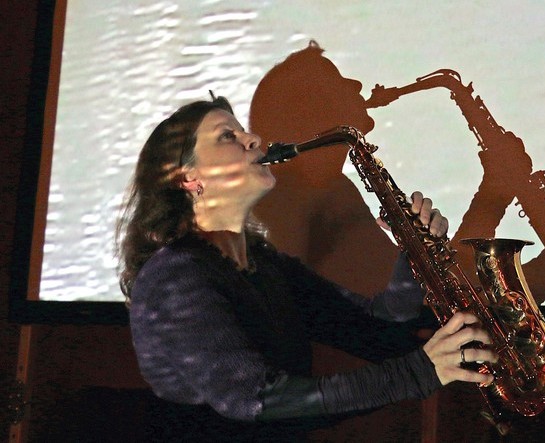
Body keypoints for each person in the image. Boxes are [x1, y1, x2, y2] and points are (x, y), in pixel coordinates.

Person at [117, 95, 497, 441]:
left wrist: (413, 251)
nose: (253, 139)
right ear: (188, 177)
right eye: (227, 136)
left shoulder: (267, 267)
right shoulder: (175, 276)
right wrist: (418, 373)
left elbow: (376, 329)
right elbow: (256, 398)